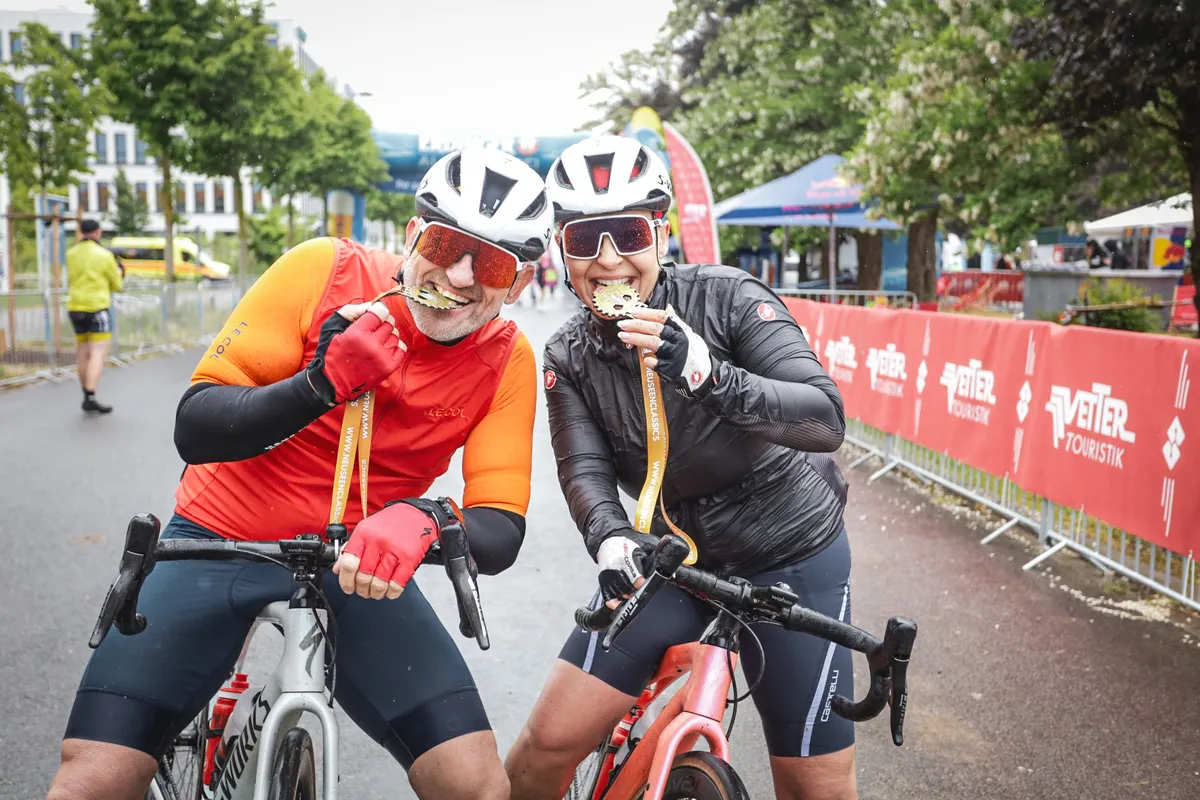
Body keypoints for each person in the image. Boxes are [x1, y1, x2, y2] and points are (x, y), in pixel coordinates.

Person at [46, 147, 552, 800]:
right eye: (445, 241)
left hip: (356, 567)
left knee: (477, 787)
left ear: (517, 284)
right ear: (411, 235)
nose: (457, 274)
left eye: (490, 262)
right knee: (92, 780)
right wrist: (320, 383)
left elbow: (500, 529)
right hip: (219, 537)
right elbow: (195, 426)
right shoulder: (325, 269)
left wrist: (424, 518)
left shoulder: (506, 359)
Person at [505, 136, 855, 800]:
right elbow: (584, 469)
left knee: (818, 787)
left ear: (661, 232)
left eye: (628, 233)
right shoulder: (568, 352)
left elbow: (824, 418)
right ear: (560, 248)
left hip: (788, 553)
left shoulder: (726, 298)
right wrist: (610, 539)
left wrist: (707, 372)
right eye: (585, 240)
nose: (609, 260)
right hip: (673, 560)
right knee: (542, 749)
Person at [66, 219, 123, 413]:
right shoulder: (104, 255)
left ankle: (85, 393)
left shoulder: (71, 253)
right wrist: (120, 273)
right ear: (98, 232)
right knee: (98, 352)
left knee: (82, 350)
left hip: (75, 305)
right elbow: (117, 284)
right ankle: (91, 396)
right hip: (96, 307)